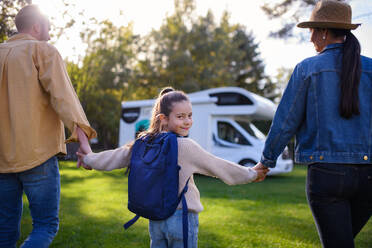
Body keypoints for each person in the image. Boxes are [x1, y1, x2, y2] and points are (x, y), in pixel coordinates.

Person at [77, 87, 269, 248]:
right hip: (181, 218)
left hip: (156, 218)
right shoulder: (185, 146)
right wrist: (251, 174)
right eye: (180, 116)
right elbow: (219, 167)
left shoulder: (142, 143)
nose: (187, 121)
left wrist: (89, 159)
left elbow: (113, 157)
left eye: (190, 115)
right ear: (164, 118)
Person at [253, 0, 372, 247]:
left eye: (312, 31)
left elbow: (286, 121)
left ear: (324, 32)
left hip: (326, 175)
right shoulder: (370, 68)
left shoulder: (308, 68)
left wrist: (266, 161)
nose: (310, 39)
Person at [0, 5, 96, 248]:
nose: (50, 35)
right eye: (49, 28)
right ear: (36, 26)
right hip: (38, 155)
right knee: (45, 226)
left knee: (4, 233)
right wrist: (84, 144)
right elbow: (64, 98)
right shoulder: (42, 51)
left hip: (1, 161)